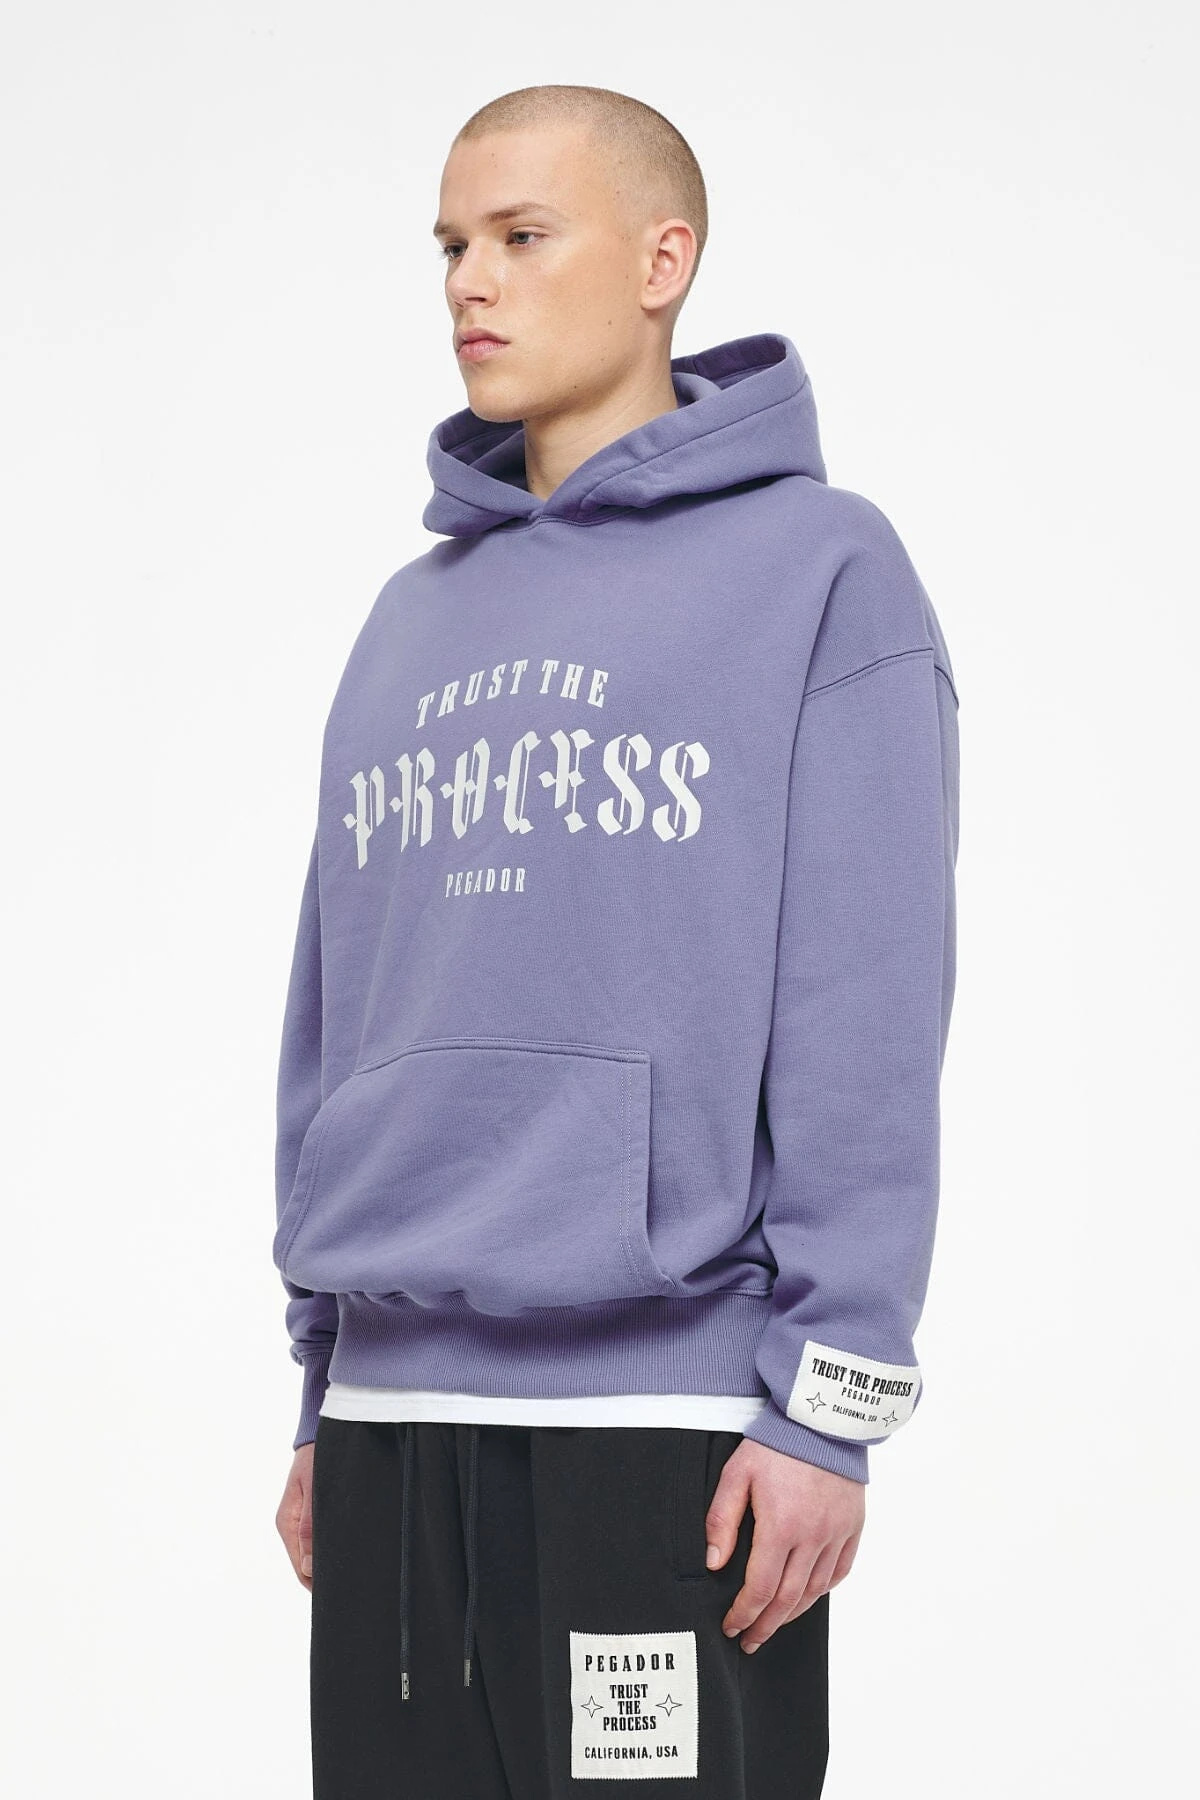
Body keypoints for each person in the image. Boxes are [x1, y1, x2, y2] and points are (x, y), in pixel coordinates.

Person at [271, 82, 960, 1800]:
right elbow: (338, 1012)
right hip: (391, 1431)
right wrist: (321, 1387)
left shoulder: (822, 571)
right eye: (451, 243)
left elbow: (869, 1005)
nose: (469, 282)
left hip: (667, 1436)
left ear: (665, 261)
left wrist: (830, 1408)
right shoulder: (407, 619)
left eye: (522, 236)